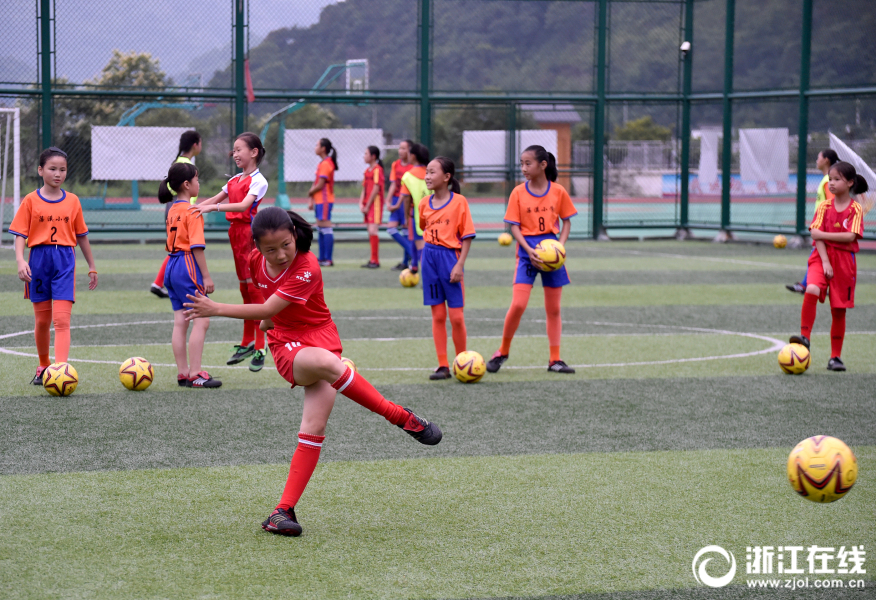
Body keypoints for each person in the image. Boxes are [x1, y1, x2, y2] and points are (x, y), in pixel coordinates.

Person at [182, 207, 442, 536]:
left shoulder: (307, 266)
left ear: (294, 234)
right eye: (270, 250)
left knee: (313, 428)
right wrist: (267, 324)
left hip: (321, 338)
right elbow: (268, 306)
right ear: (258, 248)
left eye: (286, 245)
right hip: (287, 346)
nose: (279, 255)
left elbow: (268, 307)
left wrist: (217, 309)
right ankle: (401, 417)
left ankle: (281, 512)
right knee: (330, 366)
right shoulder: (253, 260)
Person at [486, 145, 578, 374]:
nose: (524, 168)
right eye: (521, 164)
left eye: (528, 163)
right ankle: (502, 352)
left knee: (554, 309)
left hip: (552, 255)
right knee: (518, 305)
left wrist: (560, 247)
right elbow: (513, 227)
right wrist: (528, 249)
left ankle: (554, 360)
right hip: (527, 255)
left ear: (543, 165)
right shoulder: (518, 192)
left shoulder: (558, 191)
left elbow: (567, 221)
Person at [11, 147, 98, 384]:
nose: (58, 174)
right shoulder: (30, 200)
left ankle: (60, 371)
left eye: (62, 169)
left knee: (62, 320)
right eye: (52, 169)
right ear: (40, 170)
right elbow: (20, 234)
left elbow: (81, 236)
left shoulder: (73, 201)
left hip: (65, 261)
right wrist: (20, 260)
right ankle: (43, 365)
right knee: (42, 321)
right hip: (38, 261)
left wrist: (92, 265)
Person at [192, 132, 269, 372]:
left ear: (254, 152)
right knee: (244, 288)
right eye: (233, 150)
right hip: (235, 235)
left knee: (254, 289)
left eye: (239, 150)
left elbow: (244, 205)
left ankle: (260, 345)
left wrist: (212, 208)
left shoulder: (259, 180)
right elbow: (214, 198)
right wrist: (188, 208)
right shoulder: (235, 179)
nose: (234, 154)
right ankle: (247, 341)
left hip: (251, 235)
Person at [790, 161, 866, 372]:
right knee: (812, 289)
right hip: (820, 257)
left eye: (836, 179)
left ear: (850, 183)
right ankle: (805, 337)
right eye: (830, 179)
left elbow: (850, 236)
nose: (831, 183)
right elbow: (816, 237)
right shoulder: (824, 206)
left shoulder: (855, 208)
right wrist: (824, 261)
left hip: (844, 262)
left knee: (838, 310)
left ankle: (835, 357)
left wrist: (822, 234)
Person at [158, 162, 220, 388]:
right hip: (187, 265)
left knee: (180, 321)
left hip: (171, 265)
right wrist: (206, 276)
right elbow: (196, 246)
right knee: (202, 320)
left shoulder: (173, 209)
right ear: (187, 184)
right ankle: (196, 373)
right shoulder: (193, 211)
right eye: (197, 179)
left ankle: (183, 373)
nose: (199, 183)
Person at [419, 157, 475, 380]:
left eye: (432, 172)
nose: (427, 176)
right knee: (438, 315)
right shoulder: (424, 203)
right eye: (427, 172)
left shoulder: (459, 202)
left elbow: (467, 236)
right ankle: (443, 365)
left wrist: (460, 265)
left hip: (451, 258)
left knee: (457, 317)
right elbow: (423, 227)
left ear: (447, 177)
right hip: (429, 258)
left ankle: (462, 361)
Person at [151, 130, 203, 299]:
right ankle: (160, 283)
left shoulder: (181, 160)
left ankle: (159, 282)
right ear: (195, 144)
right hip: (181, 212)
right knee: (180, 248)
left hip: (176, 210)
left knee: (176, 247)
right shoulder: (185, 164)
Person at [787, 148, 838, 294]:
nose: (816, 160)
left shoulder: (829, 180)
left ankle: (807, 285)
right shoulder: (827, 179)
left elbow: (832, 203)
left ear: (826, 160)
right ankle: (807, 284)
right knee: (817, 255)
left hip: (826, 227)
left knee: (817, 255)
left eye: (818, 157)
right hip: (823, 226)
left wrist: (826, 225)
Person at [399, 143, 430, 273]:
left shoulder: (408, 176)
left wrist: (406, 217)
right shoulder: (432, 172)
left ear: (413, 156)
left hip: (417, 216)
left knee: (420, 246)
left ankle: (427, 279)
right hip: (435, 214)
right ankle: (415, 266)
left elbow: (406, 199)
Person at [307, 138, 338, 267]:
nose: (315, 147)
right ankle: (322, 258)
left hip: (325, 201)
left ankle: (328, 259)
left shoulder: (326, 163)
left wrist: (310, 193)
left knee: (326, 228)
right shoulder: (322, 163)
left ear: (323, 148)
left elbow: (320, 184)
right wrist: (312, 198)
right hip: (320, 200)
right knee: (321, 228)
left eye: (317, 145)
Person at [385, 140, 415, 270]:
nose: (400, 151)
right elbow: (393, 184)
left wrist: (398, 203)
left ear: (410, 151)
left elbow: (408, 189)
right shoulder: (395, 164)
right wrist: (388, 199)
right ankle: (412, 255)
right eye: (400, 148)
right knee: (391, 229)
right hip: (396, 199)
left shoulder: (413, 167)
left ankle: (406, 262)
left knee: (405, 231)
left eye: (403, 148)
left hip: (407, 201)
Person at [359, 145, 384, 269]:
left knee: (373, 231)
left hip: (375, 205)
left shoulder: (377, 170)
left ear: (373, 156)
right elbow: (364, 188)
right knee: (370, 231)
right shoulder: (366, 171)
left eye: (366, 154)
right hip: (368, 205)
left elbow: (376, 188)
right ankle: (372, 259)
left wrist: (368, 205)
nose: (364, 156)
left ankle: (376, 260)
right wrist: (360, 203)